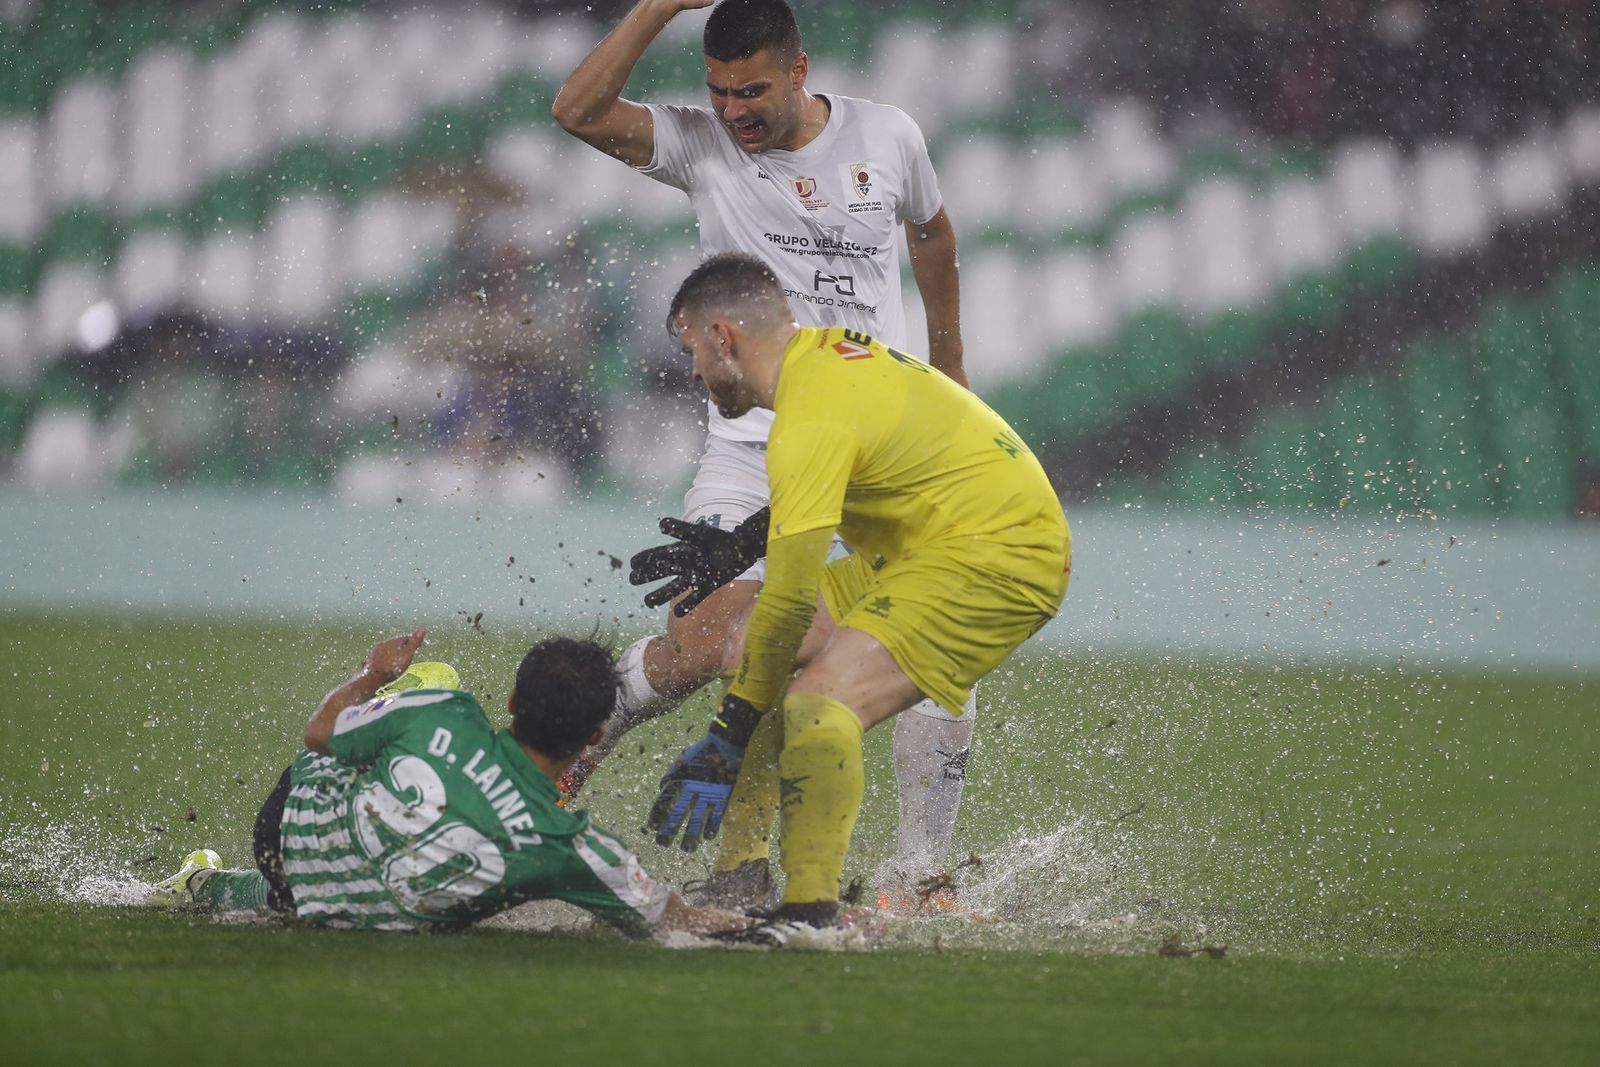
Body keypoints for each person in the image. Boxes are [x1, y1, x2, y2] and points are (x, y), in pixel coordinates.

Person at [552, 0, 972, 906]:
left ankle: (922, 869)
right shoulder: (705, 147)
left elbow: (932, 236)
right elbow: (578, 112)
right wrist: (660, 6)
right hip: (751, 446)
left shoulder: (887, 137)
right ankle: (598, 746)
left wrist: (952, 367)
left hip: (873, 445)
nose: (735, 112)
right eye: (718, 92)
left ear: (799, 70)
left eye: (752, 92)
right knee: (715, 637)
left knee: (934, 641)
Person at [645, 253, 1071, 944]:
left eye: (692, 349)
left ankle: (810, 915)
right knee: (745, 642)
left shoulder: (806, 417)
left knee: (819, 701)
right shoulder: (829, 363)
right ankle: (742, 874)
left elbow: (787, 607)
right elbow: (864, 458)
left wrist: (726, 735)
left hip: (999, 556)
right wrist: (742, 543)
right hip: (930, 548)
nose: (693, 371)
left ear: (723, 337)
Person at [147, 629, 746, 938]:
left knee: (422, 706)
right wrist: (803, 922)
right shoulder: (570, 845)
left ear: (512, 700)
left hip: (282, 834)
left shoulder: (448, 712)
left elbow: (319, 732)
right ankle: (203, 882)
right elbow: (675, 918)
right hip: (361, 913)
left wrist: (373, 674)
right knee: (373, 874)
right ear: (595, 736)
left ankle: (201, 881)